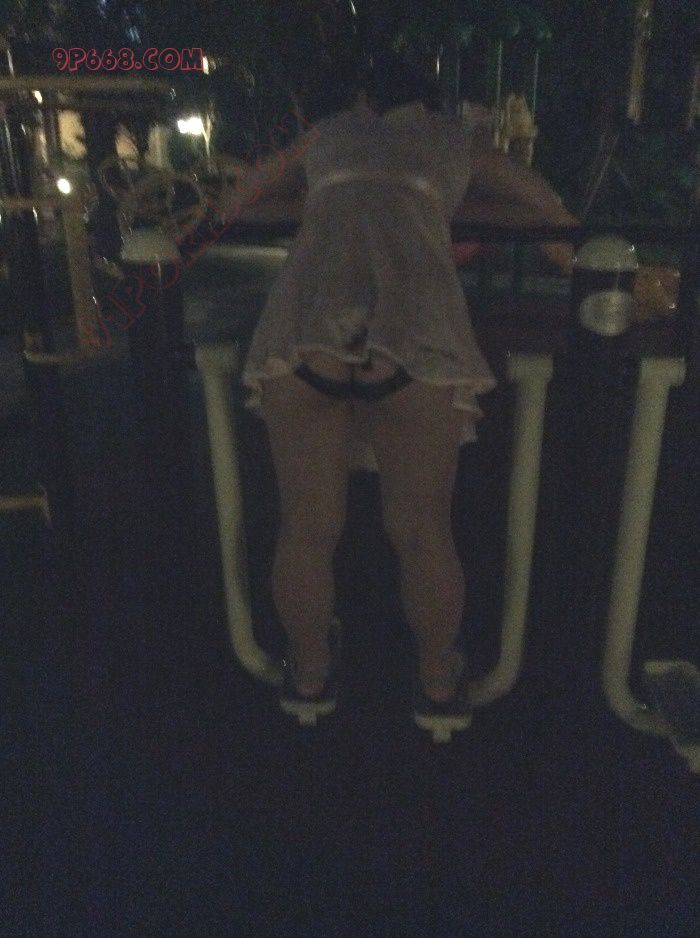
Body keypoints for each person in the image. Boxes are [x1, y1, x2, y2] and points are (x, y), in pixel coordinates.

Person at [218, 53, 578, 733]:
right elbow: (542, 203)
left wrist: (322, 198)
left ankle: (310, 674)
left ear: (354, 98)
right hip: (417, 333)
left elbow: (237, 201)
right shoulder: (450, 139)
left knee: (307, 527)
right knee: (422, 531)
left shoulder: (324, 137)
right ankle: (438, 681)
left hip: (305, 328)